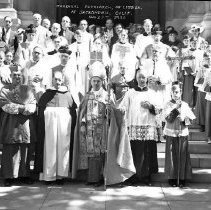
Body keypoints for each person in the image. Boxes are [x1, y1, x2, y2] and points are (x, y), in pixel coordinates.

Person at [118, 67, 159, 186]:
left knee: (147, 152)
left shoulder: (152, 93)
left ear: (147, 79)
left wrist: (150, 106)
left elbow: (159, 109)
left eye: (143, 77)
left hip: (148, 126)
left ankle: (146, 178)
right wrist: (122, 109)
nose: (142, 79)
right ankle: (133, 177)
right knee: (134, 152)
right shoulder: (130, 92)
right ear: (136, 78)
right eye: (139, 77)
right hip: (134, 126)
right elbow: (124, 106)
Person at [35, 70, 77, 183]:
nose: (57, 81)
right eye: (55, 79)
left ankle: (60, 176)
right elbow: (40, 114)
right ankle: (49, 176)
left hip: (64, 128)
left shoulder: (67, 94)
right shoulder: (46, 94)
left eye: (59, 79)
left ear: (62, 80)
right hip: (49, 128)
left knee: (63, 147)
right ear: (52, 80)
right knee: (50, 148)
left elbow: (73, 113)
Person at [72, 61, 109, 186]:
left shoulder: (106, 95)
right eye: (94, 81)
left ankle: (101, 177)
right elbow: (82, 111)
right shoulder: (87, 96)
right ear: (91, 82)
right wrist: (82, 124)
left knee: (101, 152)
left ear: (102, 81)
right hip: (89, 128)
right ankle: (92, 178)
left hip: (102, 128)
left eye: (98, 81)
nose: (96, 83)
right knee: (91, 153)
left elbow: (111, 113)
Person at [0, 66, 37, 186]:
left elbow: (32, 107)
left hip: (25, 125)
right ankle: (9, 177)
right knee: (10, 150)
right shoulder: (5, 90)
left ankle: (24, 175)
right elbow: (5, 105)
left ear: (22, 76)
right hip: (10, 125)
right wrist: (22, 107)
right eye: (14, 74)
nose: (17, 76)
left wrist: (18, 106)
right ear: (11, 76)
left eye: (19, 75)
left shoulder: (28, 90)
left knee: (24, 150)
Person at [163, 82, 195, 187]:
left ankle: (182, 178)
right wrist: (176, 109)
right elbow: (168, 118)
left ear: (181, 93)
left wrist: (184, 119)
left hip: (182, 134)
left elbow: (192, 119)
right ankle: (172, 178)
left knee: (182, 155)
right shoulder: (168, 104)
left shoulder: (185, 105)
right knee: (172, 156)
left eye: (178, 92)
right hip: (171, 133)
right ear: (171, 93)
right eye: (174, 92)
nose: (176, 94)